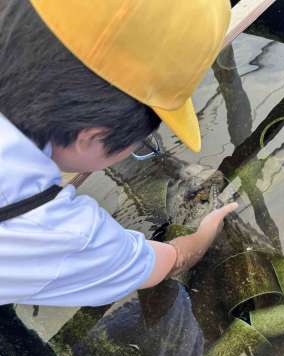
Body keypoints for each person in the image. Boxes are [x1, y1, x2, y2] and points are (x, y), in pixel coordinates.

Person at [0, 0, 237, 307]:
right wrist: (207, 230)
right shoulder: (56, 232)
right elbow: (166, 262)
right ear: (92, 137)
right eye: (141, 137)